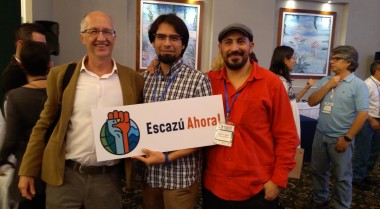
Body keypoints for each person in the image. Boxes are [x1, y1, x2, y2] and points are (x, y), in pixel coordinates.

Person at [18, 11, 144, 209]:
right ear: (82, 37)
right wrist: (27, 170)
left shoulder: (133, 79)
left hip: (108, 182)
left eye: (107, 32)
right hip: (65, 178)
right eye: (93, 31)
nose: (101, 38)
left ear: (114, 37)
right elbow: (43, 125)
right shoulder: (61, 76)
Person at [203, 23, 299, 209]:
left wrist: (277, 180)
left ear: (251, 46)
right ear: (220, 48)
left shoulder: (271, 83)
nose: (234, 48)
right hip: (215, 186)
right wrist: (157, 64)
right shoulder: (207, 81)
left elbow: (287, 137)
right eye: (228, 42)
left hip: (257, 188)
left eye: (241, 41)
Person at [133, 13, 212, 209]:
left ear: (183, 44)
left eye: (174, 38)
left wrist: (167, 157)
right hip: (150, 175)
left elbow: (205, 134)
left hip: (180, 178)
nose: (167, 43)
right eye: (161, 37)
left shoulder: (199, 80)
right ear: (153, 42)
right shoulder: (145, 79)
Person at [306, 45, 369, 209]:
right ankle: (321, 198)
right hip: (320, 134)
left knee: (342, 176)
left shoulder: (358, 85)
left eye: (336, 59)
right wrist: (328, 86)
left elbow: (362, 115)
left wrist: (347, 138)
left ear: (348, 62)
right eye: (331, 58)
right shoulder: (326, 80)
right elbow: (312, 101)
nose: (331, 61)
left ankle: (342, 206)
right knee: (317, 171)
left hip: (341, 137)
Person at [0, 40, 50, 209]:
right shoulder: (60, 93)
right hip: (58, 169)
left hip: (27, 171)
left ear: (23, 66)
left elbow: (10, 140)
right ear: (49, 64)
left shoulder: (15, 97)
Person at [0, 23, 46, 116]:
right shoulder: (10, 76)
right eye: (38, 45)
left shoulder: (44, 67)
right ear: (20, 44)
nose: (43, 51)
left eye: (44, 46)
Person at [269, 45, 314, 137]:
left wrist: (306, 88)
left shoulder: (283, 80)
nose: (295, 61)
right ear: (285, 60)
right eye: (293, 58)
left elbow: (292, 101)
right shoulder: (278, 82)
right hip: (284, 130)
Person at [353, 60, 380, 190]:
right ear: (377, 72)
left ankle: (365, 175)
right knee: (363, 151)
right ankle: (357, 178)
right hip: (367, 121)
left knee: (374, 151)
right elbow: (360, 107)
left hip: (378, 120)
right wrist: (371, 120)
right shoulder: (366, 85)